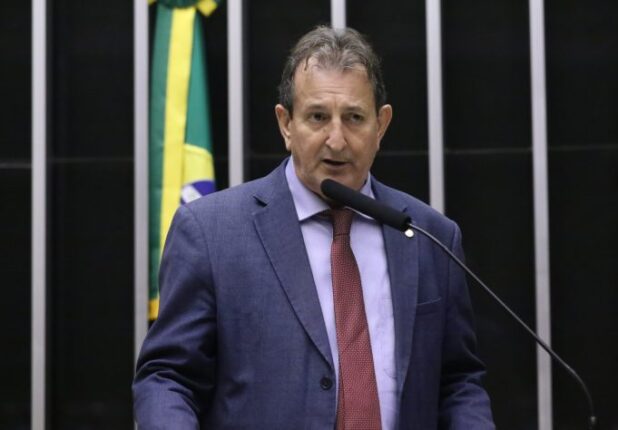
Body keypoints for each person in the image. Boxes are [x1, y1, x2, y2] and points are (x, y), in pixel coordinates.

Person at [133, 26, 495, 429]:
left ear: (381, 125)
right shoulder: (211, 232)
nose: (336, 140)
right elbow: (168, 379)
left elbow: (458, 383)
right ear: (286, 123)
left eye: (354, 118)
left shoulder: (430, 236)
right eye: (318, 117)